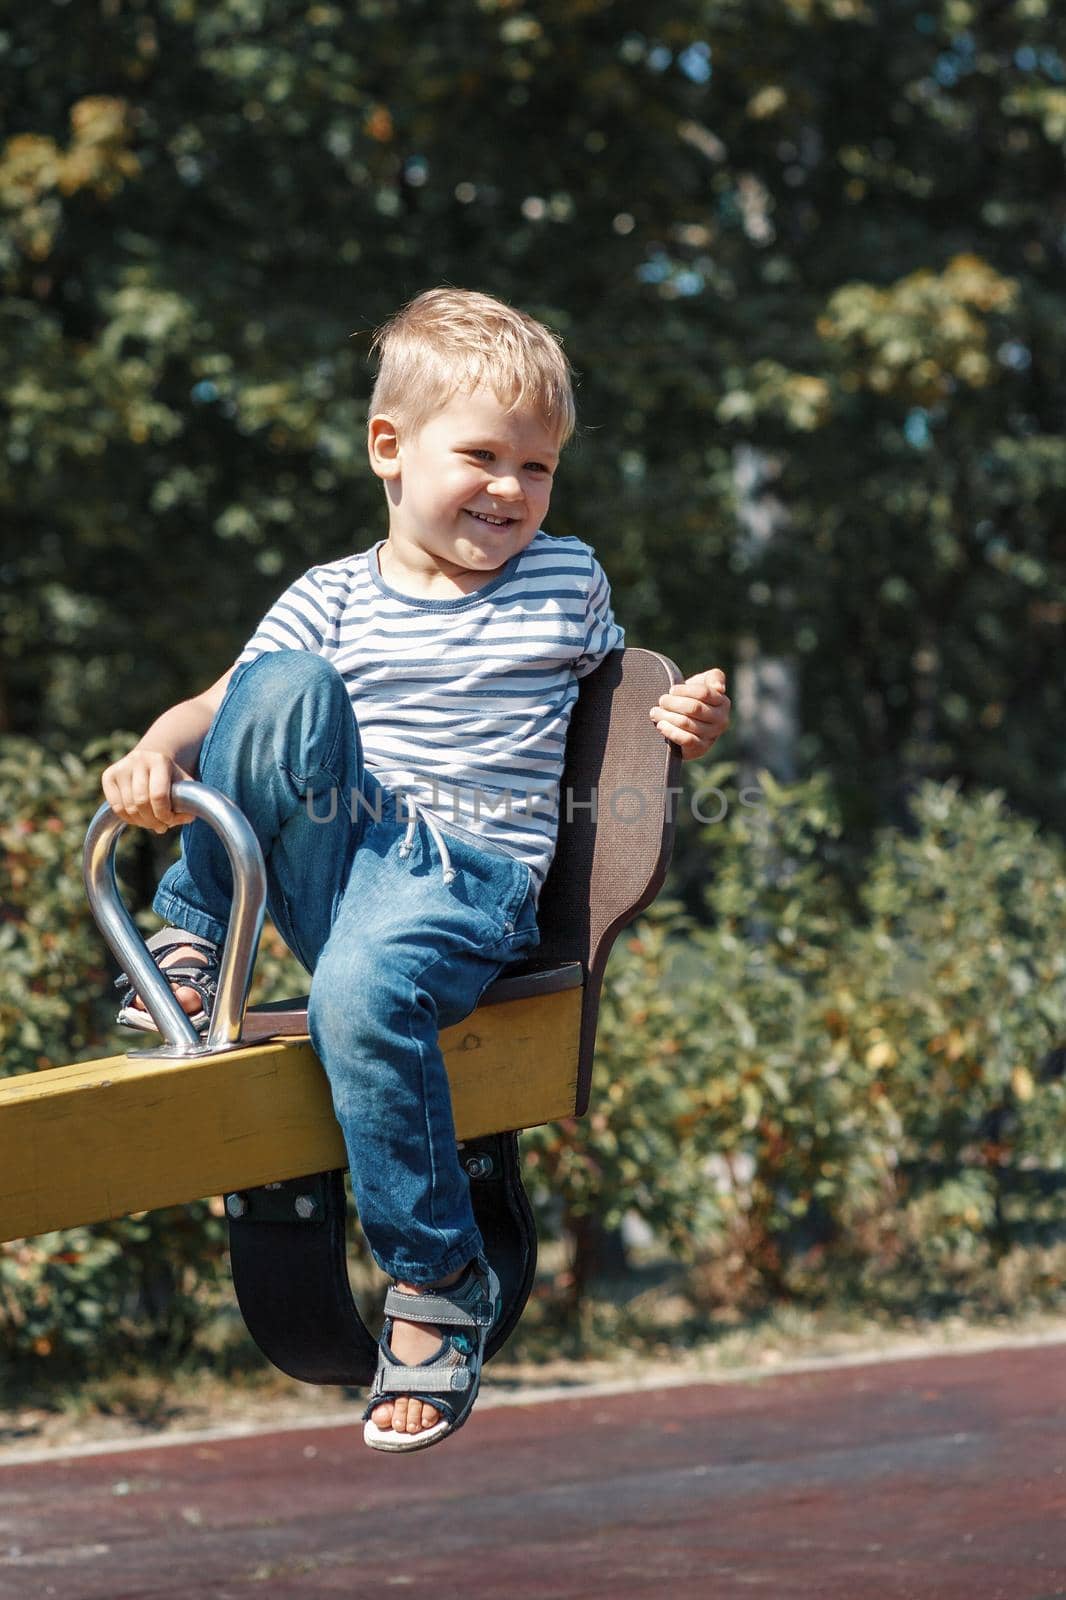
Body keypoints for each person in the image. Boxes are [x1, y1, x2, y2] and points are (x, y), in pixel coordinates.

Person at [101, 288, 731, 1453]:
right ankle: (189, 932)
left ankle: (438, 1285)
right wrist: (152, 751)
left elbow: (623, 699)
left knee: (357, 994)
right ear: (390, 449)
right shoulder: (329, 596)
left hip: (470, 879)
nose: (510, 491)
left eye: (537, 467)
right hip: (349, 861)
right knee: (276, 689)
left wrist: (683, 713)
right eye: (481, 456)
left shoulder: (563, 576)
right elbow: (218, 709)